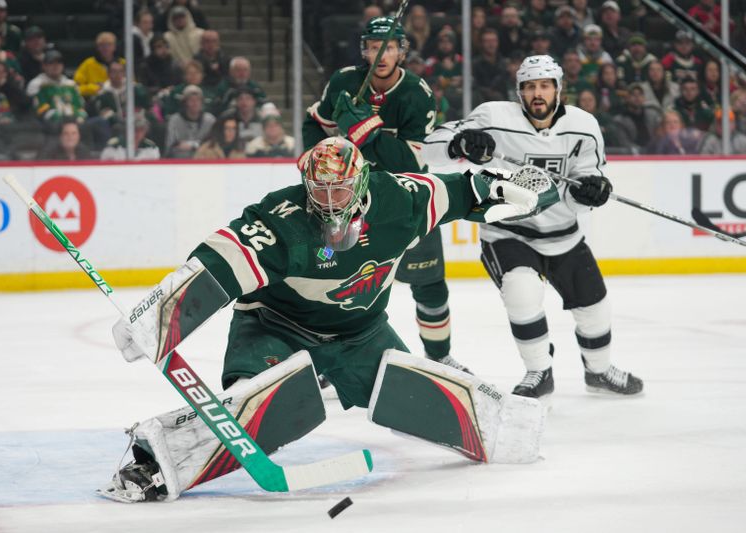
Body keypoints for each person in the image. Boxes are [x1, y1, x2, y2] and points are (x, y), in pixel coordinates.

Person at [101, 136, 550, 503]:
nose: (330, 201)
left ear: (363, 182)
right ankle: (153, 464)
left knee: (415, 393)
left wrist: (515, 188)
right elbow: (216, 265)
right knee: (258, 406)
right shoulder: (282, 220)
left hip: (361, 334)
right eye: (320, 189)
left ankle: (508, 428)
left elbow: (466, 190)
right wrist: (158, 315)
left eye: (340, 189)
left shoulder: (401, 201)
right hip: (274, 324)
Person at [423, 55, 644, 398]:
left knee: (595, 309)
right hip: (508, 232)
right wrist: (462, 143)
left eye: (544, 86)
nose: (537, 94)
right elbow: (432, 147)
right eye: (529, 87)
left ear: (559, 89)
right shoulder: (494, 116)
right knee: (522, 293)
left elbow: (586, 184)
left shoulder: (584, 126)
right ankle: (539, 371)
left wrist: (591, 191)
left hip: (564, 235)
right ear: (519, 92)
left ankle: (599, 372)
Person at [302, 16, 461, 371]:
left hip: (405, 200)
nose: (381, 55)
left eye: (388, 47)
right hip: (347, 202)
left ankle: (440, 357)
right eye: (374, 47)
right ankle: (328, 361)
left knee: (429, 283)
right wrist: (313, 156)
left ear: (401, 52)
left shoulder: (416, 94)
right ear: (364, 50)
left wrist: (369, 132)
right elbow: (315, 122)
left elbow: (413, 162)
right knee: (332, 279)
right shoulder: (345, 81)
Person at [164, 83, 215, 158]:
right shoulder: (174, 120)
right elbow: (170, 146)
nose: (195, 103)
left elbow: (213, 145)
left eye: (198, 100)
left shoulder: (210, 120)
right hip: (179, 163)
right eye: (191, 100)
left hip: (203, 162)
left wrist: (192, 145)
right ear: (185, 102)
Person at [74, 32, 125, 98]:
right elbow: (76, 87)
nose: (106, 48)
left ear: (114, 47)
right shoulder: (88, 63)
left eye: (109, 45)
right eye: (102, 45)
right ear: (98, 47)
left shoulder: (123, 63)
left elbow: (132, 85)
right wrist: (95, 88)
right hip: (95, 100)